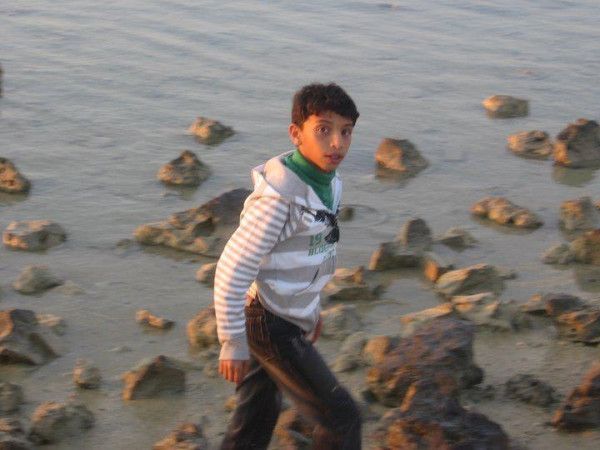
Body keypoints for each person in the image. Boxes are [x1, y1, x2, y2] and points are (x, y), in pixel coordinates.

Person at [215, 82, 362, 449]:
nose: (337, 143)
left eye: (346, 132)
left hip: (283, 314)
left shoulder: (329, 183)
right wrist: (232, 341)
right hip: (269, 321)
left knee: (256, 416)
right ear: (296, 134)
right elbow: (232, 268)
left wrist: (310, 311)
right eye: (323, 130)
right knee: (341, 419)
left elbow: (308, 256)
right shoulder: (278, 202)